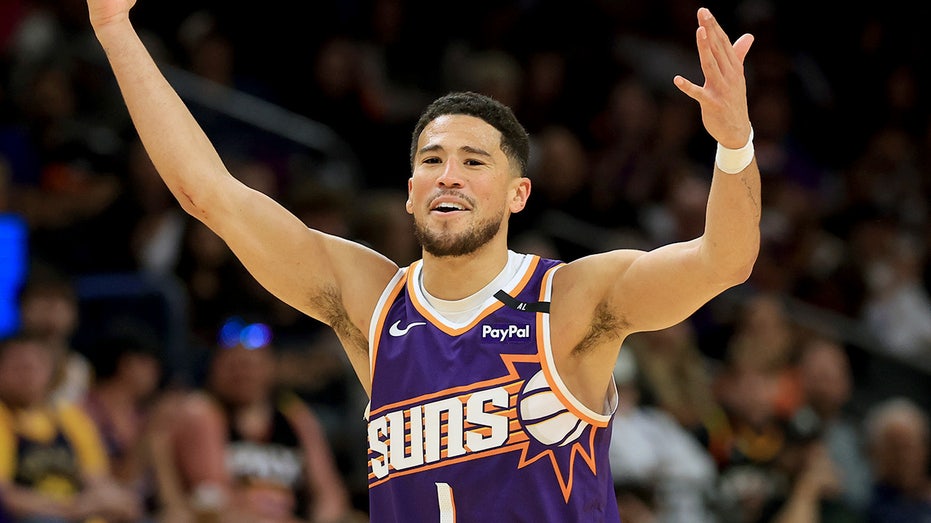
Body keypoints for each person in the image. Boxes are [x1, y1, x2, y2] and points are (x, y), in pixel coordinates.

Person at [84, 1, 761, 521]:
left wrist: (734, 146)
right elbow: (209, 195)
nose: (449, 175)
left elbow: (723, 262)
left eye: (474, 161)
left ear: (518, 193)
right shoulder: (371, 303)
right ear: (410, 192)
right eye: (432, 160)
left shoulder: (571, 299)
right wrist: (114, 28)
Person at [154, 317, 356, 523]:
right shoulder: (202, 411)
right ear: (215, 368)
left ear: (270, 367)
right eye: (234, 366)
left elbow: (329, 493)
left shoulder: (293, 414)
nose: (243, 374)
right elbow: (213, 498)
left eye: (250, 365)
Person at [0, 332, 141, 522]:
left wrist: (116, 501)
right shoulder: (3, 418)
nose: (27, 374)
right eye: (18, 367)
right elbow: (6, 496)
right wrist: (70, 508)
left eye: (35, 366)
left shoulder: (69, 417)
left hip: (79, 512)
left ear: (50, 371)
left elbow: (97, 479)